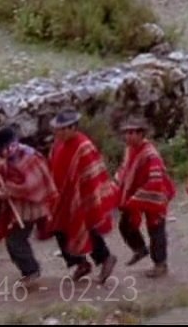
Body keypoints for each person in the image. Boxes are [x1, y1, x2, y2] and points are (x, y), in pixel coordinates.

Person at [0, 125, 56, 291]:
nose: (0, 154)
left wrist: (9, 190)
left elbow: (32, 185)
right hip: (15, 208)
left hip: (31, 208)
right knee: (13, 240)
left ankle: (31, 270)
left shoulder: (30, 158)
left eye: (1, 149)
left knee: (15, 240)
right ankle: (29, 269)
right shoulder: (2, 161)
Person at [48, 111, 118, 284]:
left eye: (63, 129)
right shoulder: (58, 144)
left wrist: (83, 195)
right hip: (62, 196)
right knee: (59, 229)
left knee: (86, 227)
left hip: (82, 196)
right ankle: (80, 263)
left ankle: (105, 258)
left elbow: (92, 172)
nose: (59, 132)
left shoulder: (83, 146)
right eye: (58, 129)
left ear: (73, 128)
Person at [113, 118, 175, 278]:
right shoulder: (130, 150)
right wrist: (118, 187)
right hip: (138, 193)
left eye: (131, 132)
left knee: (156, 228)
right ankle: (139, 249)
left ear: (141, 134)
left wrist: (138, 197)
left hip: (155, 194)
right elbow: (124, 171)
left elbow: (155, 180)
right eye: (126, 132)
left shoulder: (150, 155)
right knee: (125, 224)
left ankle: (160, 264)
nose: (127, 136)